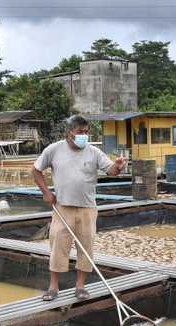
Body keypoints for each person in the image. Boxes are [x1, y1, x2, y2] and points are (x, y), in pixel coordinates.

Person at [32, 115, 129, 301]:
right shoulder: (54, 150)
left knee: (85, 247)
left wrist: (119, 167)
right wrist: (46, 193)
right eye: (80, 132)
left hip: (87, 208)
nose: (84, 135)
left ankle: (80, 286)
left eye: (86, 132)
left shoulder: (94, 152)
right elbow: (36, 170)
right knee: (58, 245)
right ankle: (53, 287)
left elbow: (111, 170)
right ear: (69, 132)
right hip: (62, 208)